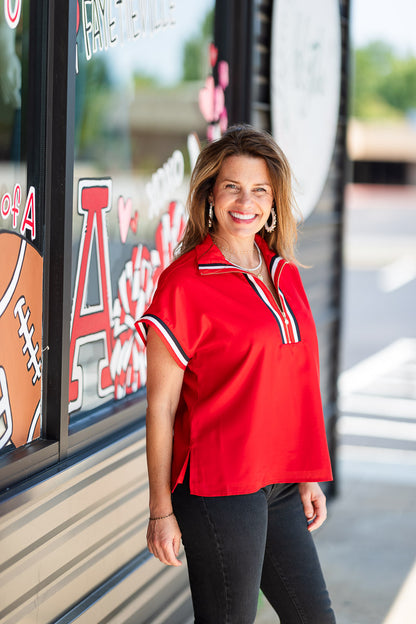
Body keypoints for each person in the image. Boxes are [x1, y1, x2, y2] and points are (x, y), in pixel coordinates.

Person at [135, 125, 336, 623]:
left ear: (273, 202)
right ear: (210, 195)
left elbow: (294, 385)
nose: (245, 202)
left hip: (280, 482)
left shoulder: (282, 272)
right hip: (220, 487)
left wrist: (307, 470)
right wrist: (161, 508)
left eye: (259, 190)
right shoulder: (184, 284)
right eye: (232, 187)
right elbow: (160, 407)